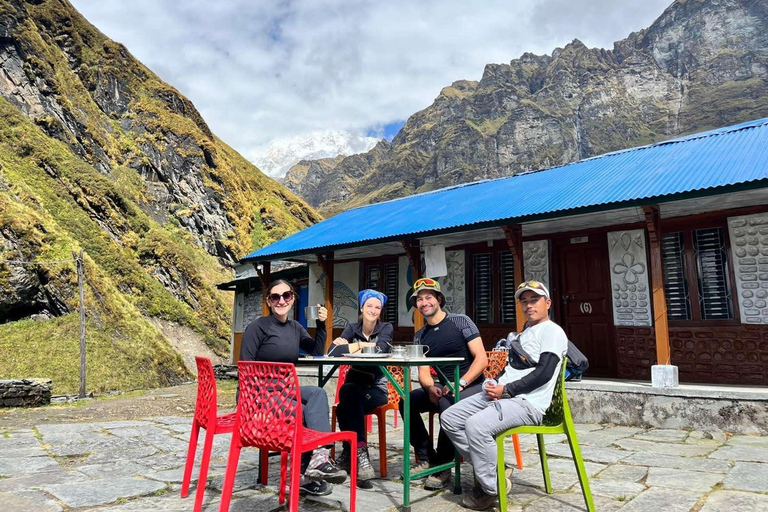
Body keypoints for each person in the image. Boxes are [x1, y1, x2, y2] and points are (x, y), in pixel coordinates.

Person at [440, 280, 568, 510]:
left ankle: (491, 488)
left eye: (535, 300)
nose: (529, 305)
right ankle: (495, 471)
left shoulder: (553, 331)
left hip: (527, 403)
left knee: (476, 426)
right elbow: (510, 370)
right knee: (450, 417)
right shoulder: (524, 333)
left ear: (548, 303)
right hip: (503, 395)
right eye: (524, 301)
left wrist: (507, 390)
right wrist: (494, 383)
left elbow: (544, 372)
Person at [239, 279, 345, 496]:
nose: (281, 301)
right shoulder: (257, 328)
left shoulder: (295, 327)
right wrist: (251, 405)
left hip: (284, 392)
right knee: (303, 411)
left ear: (293, 299)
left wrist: (322, 324)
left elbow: (316, 350)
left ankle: (318, 457)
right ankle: (302, 476)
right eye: (275, 297)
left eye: (286, 295)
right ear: (269, 301)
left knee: (317, 393)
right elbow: (245, 369)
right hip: (260, 395)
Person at [398, 277, 488, 490]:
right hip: (444, 385)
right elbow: (423, 371)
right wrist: (430, 388)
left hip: (472, 385)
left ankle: (444, 465)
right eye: (419, 299)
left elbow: (482, 359)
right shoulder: (420, 336)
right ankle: (427, 457)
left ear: (439, 299)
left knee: (447, 403)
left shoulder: (461, 321)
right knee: (407, 402)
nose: (424, 302)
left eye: (428, 297)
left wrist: (461, 383)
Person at [328, 289, 394, 487]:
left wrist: (351, 347)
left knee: (345, 405)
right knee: (349, 394)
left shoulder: (386, 328)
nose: (373, 310)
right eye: (369, 306)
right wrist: (362, 346)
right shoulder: (352, 328)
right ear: (362, 308)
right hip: (354, 387)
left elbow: (381, 350)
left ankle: (352, 453)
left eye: (377, 307)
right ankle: (360, 456)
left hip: (376, 390)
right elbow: (333, 352)